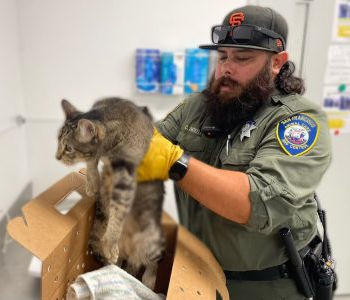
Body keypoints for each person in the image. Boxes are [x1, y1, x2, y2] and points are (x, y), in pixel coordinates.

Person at [137, 5, 332, 300]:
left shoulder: (298, 122)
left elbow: (257, 202)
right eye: (223, 57)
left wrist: (175, 163)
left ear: (277, 63)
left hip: (266, 287)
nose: (227, 68)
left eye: (242, 58)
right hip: (197, 277)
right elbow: (144, 144)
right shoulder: (198, 107)